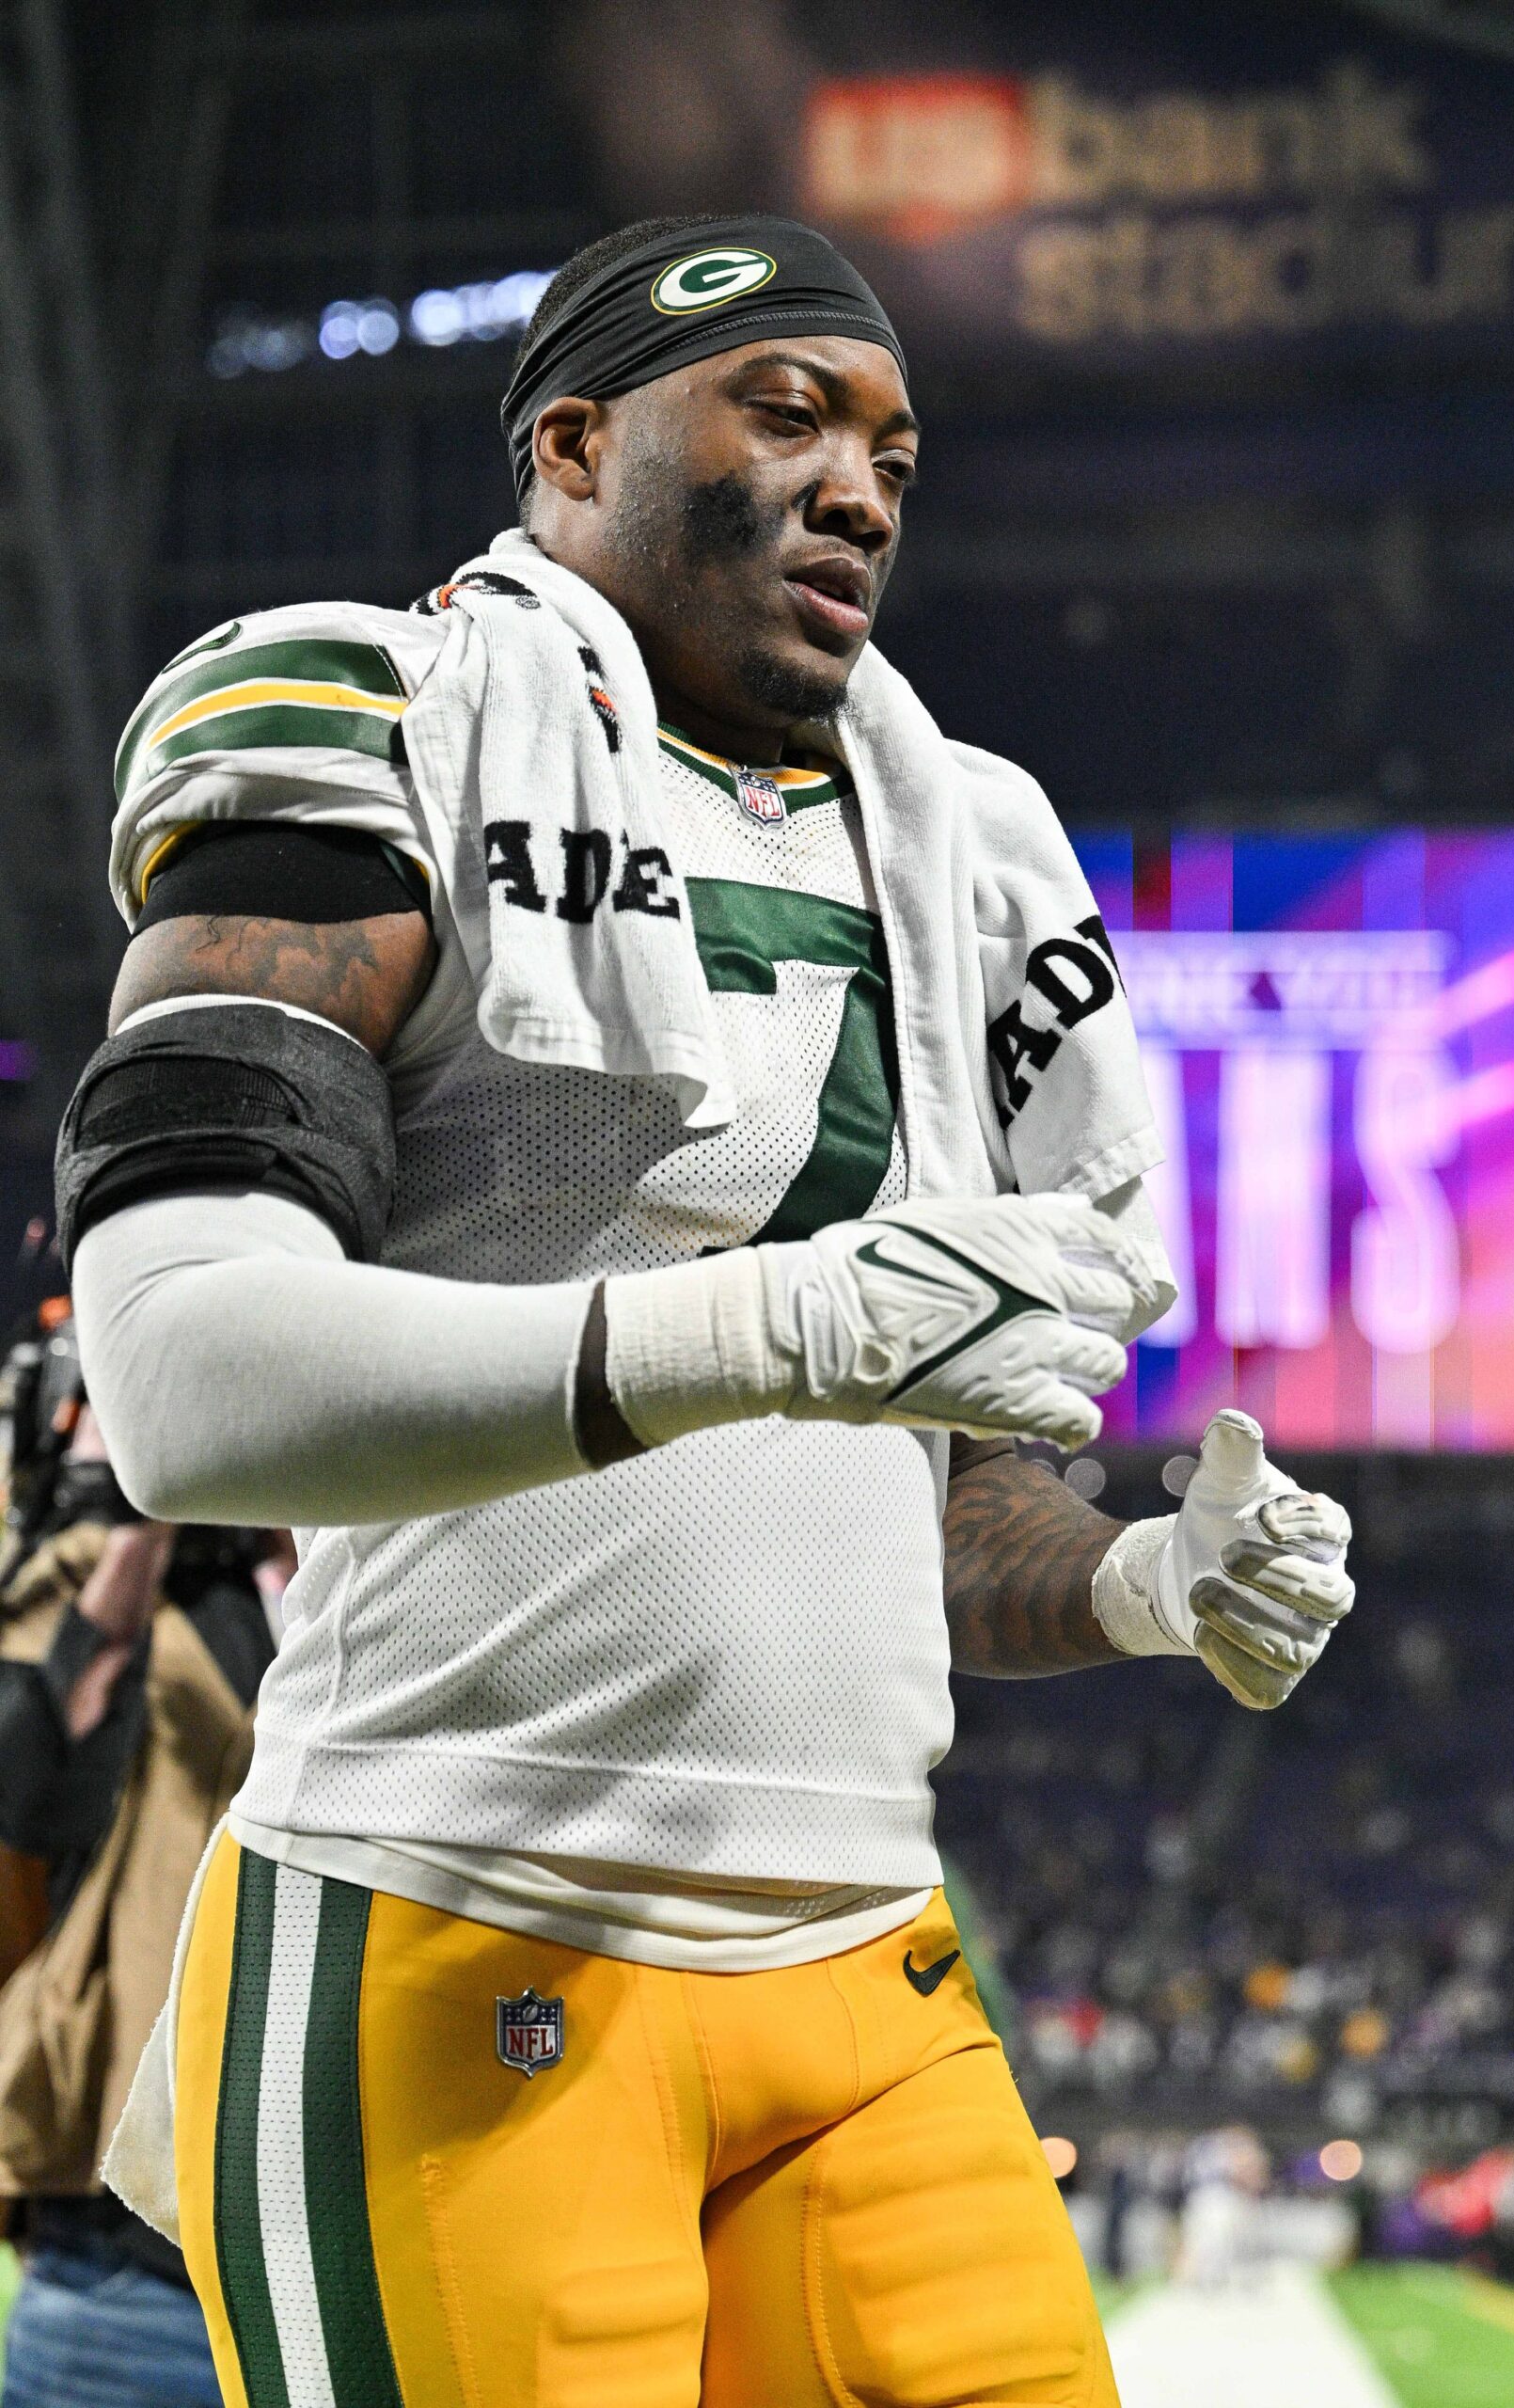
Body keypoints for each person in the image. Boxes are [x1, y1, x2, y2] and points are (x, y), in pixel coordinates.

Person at [63, 214, 1356, 2406]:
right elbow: (185, 1371)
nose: (857, 479)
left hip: (865, 1950)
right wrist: (771, 1325)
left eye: (890, 446)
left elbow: (936, 1503)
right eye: (784, 412)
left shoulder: (960, 843)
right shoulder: (378, 713)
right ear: (566, 440)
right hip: (453, 1907)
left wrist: (1145, 1578)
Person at [0, 1308, 274, 2408]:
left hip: (344, 2225)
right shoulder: (94, 1580)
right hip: (128, 2263)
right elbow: (26, 1786)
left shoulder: (385, 1575)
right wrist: (141, 1513)